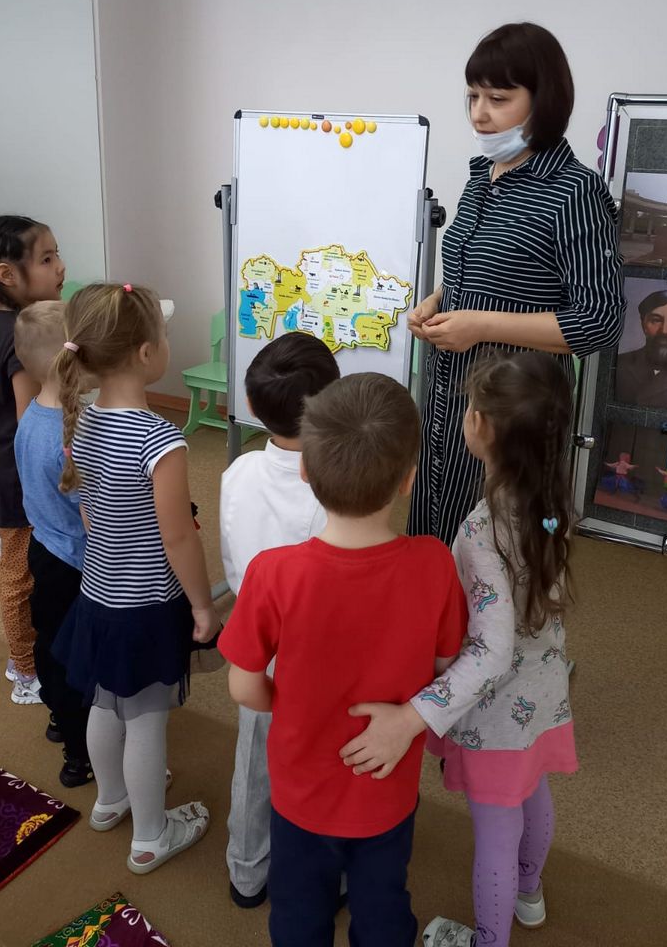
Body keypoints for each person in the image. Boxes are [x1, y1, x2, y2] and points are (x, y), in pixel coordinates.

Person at [219, 372, 467, 947]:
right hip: (387, 787)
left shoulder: (272, 573)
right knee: (383, 905)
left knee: (297, 910)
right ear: (408, 480)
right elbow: (447, 665)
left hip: (299, 787)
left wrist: (290, 705)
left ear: (305, 469)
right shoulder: (434, 563)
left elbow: (243, 686)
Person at [339, 353, 577, 947]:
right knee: (534, 792)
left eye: (472, 407)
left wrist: (416, 714)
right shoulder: (552, 500)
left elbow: (491, 651)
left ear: (482, 428)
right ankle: (529, 893)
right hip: (545, 690)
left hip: (496, 713)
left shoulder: (478, 533)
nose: (466, 414)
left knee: (496, 830)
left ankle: (489, 940)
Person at [408, 23, 624, 546]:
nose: (479, 113)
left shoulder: (574, 192)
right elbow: (476, 270)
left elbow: (599, 321)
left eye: (498, 99)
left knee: (496, 549)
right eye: (473, 96)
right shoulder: (482, 175)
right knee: (435, 533)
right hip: (451, 393)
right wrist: (438, 300)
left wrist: (481, 325)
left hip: (516, 408)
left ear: (543, 100)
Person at [53, 283, 220, 874]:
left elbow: (89, 512)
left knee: (104, 702)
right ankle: (151, 835)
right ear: (147, 353)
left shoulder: (81, 419)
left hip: (97, 595)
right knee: (146, 719)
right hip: (145, 606)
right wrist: (202, 605)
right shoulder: (159, 438)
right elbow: (179, 538)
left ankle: (110, 799)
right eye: (165, 336)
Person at [219, 332, 340, 910]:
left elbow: (233, 557)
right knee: (327, 766)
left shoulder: (238, 470)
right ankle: (327, 877)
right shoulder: (335, 488)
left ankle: (246, 870)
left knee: (254, 761)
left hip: (254, 646)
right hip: (318, 657)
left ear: (250, 404)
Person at [0, 215, 66, 704]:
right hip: (18, 477)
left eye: (56, 254)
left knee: (20, 570)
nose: (60, 267)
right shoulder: (19, 339)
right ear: (7, 275)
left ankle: (25, 659)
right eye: (46, 259)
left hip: (4, 462)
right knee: (19, 576)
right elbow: (34, 426)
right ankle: (25, 669)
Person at [13, 301, 92, 786]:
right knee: (79, 657)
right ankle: (80, 756)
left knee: (52, 643)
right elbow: (93, 514)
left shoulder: (29, 419)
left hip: (42, 550)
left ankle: (60, 718)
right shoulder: (75, 434)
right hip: (78, 564)